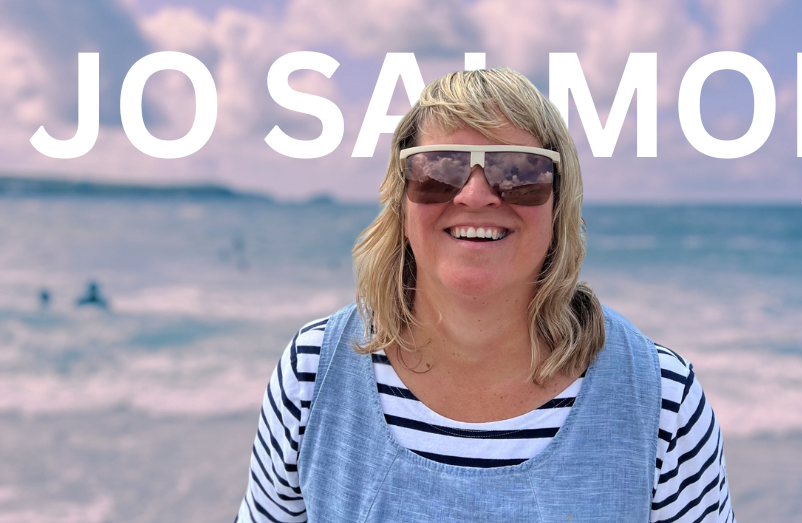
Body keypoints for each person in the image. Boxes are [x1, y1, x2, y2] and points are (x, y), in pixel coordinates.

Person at [236, 68, 735, 522]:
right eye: (440, 169)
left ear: (561, 202)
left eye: (518, 171)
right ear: (400, 200)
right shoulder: (312, 375)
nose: (475, 195)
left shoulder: (662, 398)